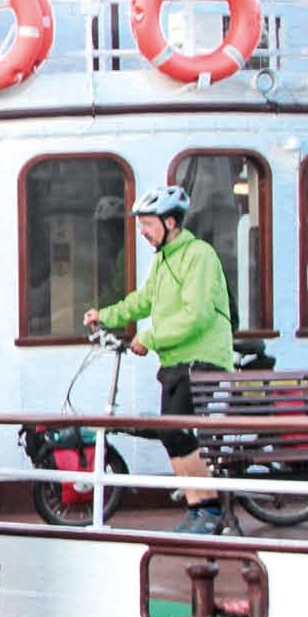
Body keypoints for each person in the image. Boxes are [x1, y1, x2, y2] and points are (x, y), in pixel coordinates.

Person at [84, 185, 236, 535]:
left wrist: (149, 337)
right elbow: (143, 300)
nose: (142, 232)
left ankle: (209, 510)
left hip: (202, 360)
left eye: (148, 224)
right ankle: (199, 508)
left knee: (180, 434)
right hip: (177, 361)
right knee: (174, 435)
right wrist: (105, 315)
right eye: (141, 225)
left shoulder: (199, 255)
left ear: (171, 222)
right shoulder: (165, 259)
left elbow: (196, 314)